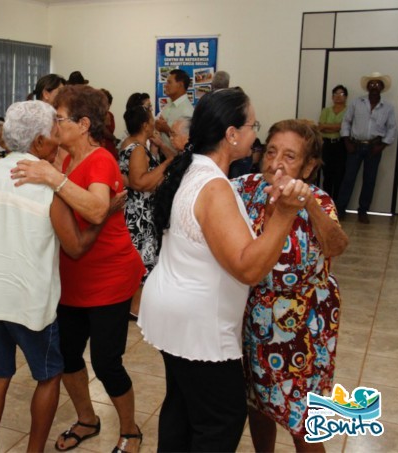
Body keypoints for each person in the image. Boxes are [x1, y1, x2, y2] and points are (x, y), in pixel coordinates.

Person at [138, 88, 312, 452]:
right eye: (253, 125)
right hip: (198, 323)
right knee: (222, 419)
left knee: (183, 407)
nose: (256, 135)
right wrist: (285, 213)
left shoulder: (193, 169)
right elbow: (247, 267)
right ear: (232, 134)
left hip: (173, 310)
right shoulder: (214, 186)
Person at [0, 101, 108, 453]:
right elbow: (74, 247)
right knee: (48, 375)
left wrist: (1, 223)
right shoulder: (48, 184)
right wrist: (102, 220)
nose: (58, 138)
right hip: (30, 299)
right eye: (54, 132)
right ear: (40, 141)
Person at [11, 85, 146, 453]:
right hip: (71, 279)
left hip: (108, 279)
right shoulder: (65, 159)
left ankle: (131, 430)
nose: (54, 124)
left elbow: (98, 209)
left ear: (84, 124)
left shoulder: (99, 159)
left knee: (106, 363)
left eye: (59, 118)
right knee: (68, 358)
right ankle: (88, 418)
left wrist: (53, 178)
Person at [232, 119, 348, 452]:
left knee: (305, 419)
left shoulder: (320, 201)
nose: (276, 163)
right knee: (258, 403)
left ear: (309, 166)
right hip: (255, 320)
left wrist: (307, 202)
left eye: (289, 156)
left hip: (305, 327)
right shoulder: (245, 188)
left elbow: (337, 246)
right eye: (270, 151)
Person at [118, 105, 175, 318]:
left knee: (138, 258)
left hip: (133, 211)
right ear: (144, 125)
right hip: (139, 213)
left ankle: (135, 307)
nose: (154, 123)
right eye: (151, 119)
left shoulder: (130, 145)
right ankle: (135, 309)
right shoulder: (137, 149)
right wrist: (167, 164)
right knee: (142, 259)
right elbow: (140, 182)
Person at [337, 72, 397, 223]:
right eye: (372, 83)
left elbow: (391, 128)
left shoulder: (388, 107)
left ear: (382, 87)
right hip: (355, 146)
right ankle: (341, 209)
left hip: (374, 148)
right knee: (348, 179)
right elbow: (346, 122)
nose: (374, 86)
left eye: (378, 84)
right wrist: (347, 142)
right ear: (368, 86)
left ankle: (363, 211)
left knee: (369, 180)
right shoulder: (357, 103)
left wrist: (382, 146)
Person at [318, 84, 349, 200]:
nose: (338, 96)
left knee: (339, 174)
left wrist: (329, 126)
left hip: (341, 145)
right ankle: (326, 202)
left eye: (341, 94)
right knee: (327, 174)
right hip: (327, 144)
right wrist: (337, 126)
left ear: (346, 97)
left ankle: (336, 203)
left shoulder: (349, 110)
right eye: (335, 94)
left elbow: (345, 127)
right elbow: (320, 127)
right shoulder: (326, 111)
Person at [156, 69, 194, 153]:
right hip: (164, 155)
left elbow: (186, 142)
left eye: (169, 82)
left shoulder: (187, 111)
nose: (165, 86)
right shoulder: (169, 103)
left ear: (180, 85)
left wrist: (166, 130)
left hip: (176, 160)